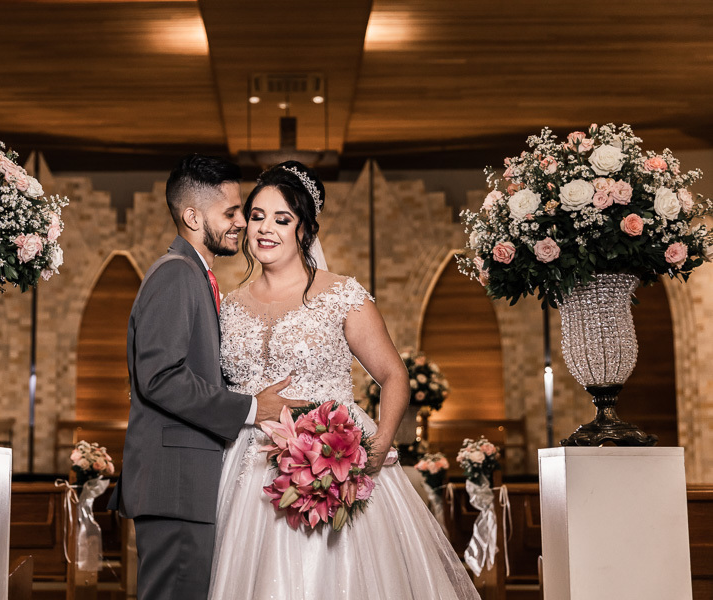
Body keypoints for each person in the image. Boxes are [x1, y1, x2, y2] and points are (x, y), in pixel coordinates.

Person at [208, 161, 480, 599]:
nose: (265, 229)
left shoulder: (342, 295)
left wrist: (380, 444)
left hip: (334, 458)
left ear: (304, 229)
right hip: (245, 466)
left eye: (282, 219)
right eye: (256, 216)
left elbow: (394, 375)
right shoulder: (228, 304)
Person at [111, 155, 304, 600]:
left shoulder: (197, 275)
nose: (242, 223)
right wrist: (254, 408)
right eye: (231, 213)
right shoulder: (176, 275)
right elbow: (160, 377)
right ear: (193, 216)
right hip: (175, 483)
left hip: (186, 482)